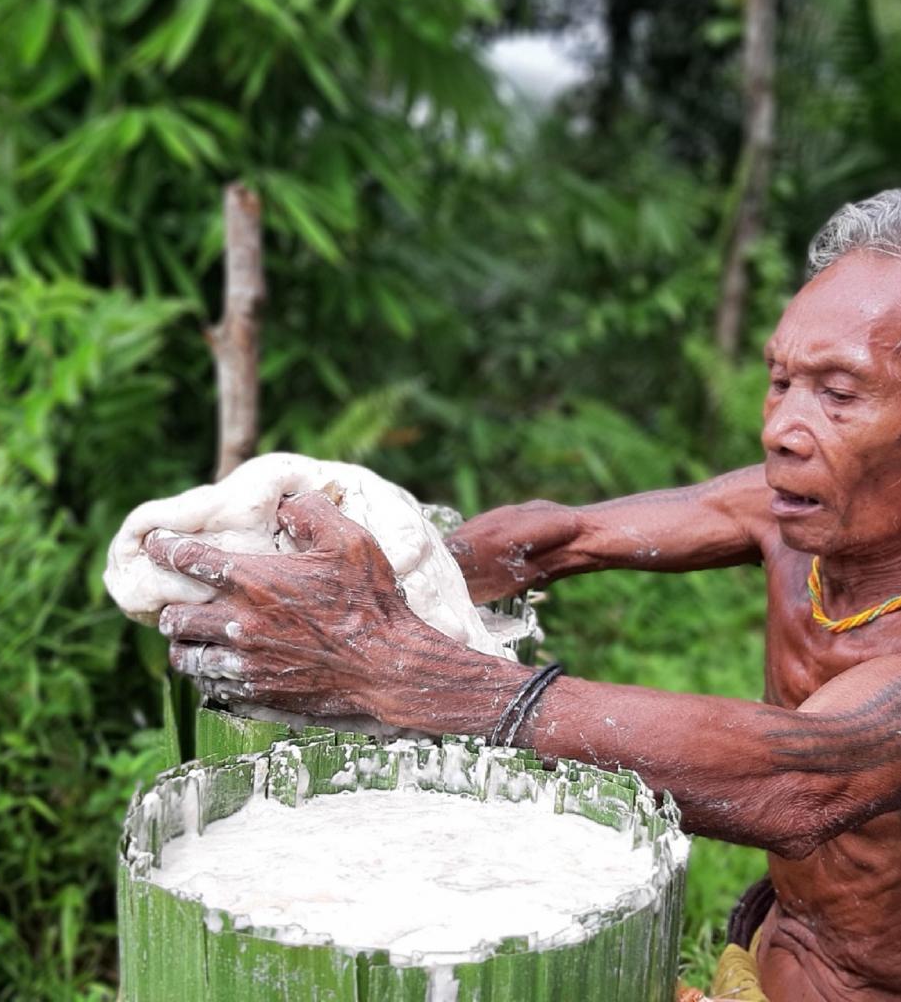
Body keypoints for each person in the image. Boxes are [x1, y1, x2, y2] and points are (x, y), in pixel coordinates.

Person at [143, 189, 901, 1002]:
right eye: (779, 380)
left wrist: (402, 669)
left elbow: (801, 782)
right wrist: (392, 575)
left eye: (837, 393)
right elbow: (558, 538)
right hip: (768, 954)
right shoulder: (796, 509)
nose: (779, 428)